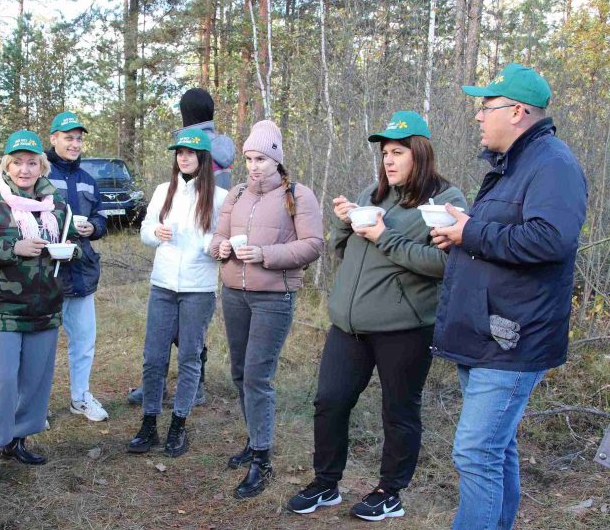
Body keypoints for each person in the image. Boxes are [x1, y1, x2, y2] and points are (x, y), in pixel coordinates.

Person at [285, 111, 467, 520]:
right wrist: (347, 221)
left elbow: (444, 265)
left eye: (398, 152)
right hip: (348, 325)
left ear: (419, 154)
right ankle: (326, 483)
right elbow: (342, 250)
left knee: (398, 410)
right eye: (385, 152)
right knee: (330, 401)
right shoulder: (374, 192)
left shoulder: (447, 201)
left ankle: (389, 491)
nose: (388, 160)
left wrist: (385, 236)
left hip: (404, 328)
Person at [430, 63, 587, 529]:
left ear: (517, 112)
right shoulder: (512, 166)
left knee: (475, 452)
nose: (479, 116)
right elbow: (503, 234)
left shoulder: (553, 164)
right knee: (496, 450)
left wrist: (471, 232)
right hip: (485, 331)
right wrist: (460, 230)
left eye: (486, 106)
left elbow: (551, 240)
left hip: (513, 338)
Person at [0, 130, 81, 488]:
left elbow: (67, 242)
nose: (24, 169)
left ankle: (18, 439)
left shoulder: (56, 205)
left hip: (44, 306)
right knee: (2, 380)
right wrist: (14, 247)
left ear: (42, 166)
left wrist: (70, 248)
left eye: (31, 163)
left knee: (36, 381)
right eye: (17, 162)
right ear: (7, 165)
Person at [209, 120, 324, 498]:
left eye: (261, 158)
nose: (254, 165)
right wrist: (220, 248)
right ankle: (254, 438)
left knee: (258, 376)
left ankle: (262, 458)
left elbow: (312, 245)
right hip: (234, 294)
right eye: (248, 158)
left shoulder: (298, 195)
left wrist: (264, 255)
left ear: (276, 158)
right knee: (240, 373)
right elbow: (219, 235)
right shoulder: (238, 192)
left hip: (274, 297)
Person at [127, 87, 235, 407]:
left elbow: (217, 214)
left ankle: (188, 388)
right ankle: (167, 386)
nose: (184, 156)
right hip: (173, 263)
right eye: (180, 153)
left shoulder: (206, 155)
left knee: (189, 336)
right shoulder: (217, 148)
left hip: (198, 259)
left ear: (187, 113)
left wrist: (210, 242)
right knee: (175, 333)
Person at [47, 111, 109, 422]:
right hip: (47, 275)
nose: (75, 144)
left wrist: (94, 228)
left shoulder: (87, 179)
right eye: (69, 138)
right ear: (53, 138)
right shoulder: (39, 174)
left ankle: (80, 397)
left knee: (84, 341)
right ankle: (34, 406)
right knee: (41, 346)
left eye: (79, 139)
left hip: (82, 272)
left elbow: (100, 216)